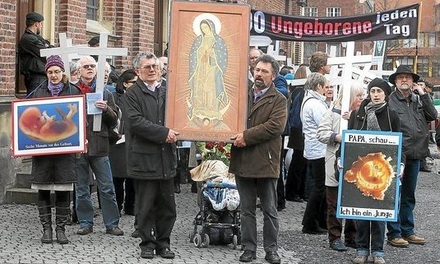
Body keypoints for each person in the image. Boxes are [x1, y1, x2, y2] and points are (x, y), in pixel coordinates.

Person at [229, 54, 287, 264]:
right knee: (246, 210)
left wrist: (246, 136)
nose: (259, 74)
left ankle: (271, 249)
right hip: (243, 160)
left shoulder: (279, 100)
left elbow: (274, 127)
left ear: (273, 76)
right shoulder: (241, 95)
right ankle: (248, 248)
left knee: (270, 210)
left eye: (264, 71)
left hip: (266, 161)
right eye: (257, 70)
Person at [122, 52, 179, 259]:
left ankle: (164, 243)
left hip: (166, 158)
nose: (153, 70)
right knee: (145, 206)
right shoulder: (132, 95)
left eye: (155, 66)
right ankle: (147, 243)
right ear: (138, 71)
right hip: (144, 158)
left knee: (167, 206)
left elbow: (178, 115)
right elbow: (135, 122)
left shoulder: (167, 91)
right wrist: (164, 133)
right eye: (148, 67)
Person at [27, 55, 81, 244]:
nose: (54, 75)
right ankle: (46, 229)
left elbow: (81, 122)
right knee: (42, 189)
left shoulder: (73, 91)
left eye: (57, 71)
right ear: (46, 73)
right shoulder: (38, 92)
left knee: (63, 189)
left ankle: (61, 229)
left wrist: (82, 140)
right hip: (43, 150)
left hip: (65, 151)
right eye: (50, 72)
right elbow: (29, 119)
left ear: (62, 72)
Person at [348, 78, 401, 264]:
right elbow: (350, 140)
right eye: (373, 91)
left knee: (380, 211)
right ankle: (362, 249)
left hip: (383, 170)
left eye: (379, 91)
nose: (376, 95)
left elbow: (399, 143)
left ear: (386, 93)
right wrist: (342, 158)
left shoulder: (392, 115)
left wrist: (400, 164)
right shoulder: (357, 114)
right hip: (362, 168)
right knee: (362, 211)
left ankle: (378, 250)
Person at [386, 65, 437, 247]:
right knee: (394, 195)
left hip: (415, 155)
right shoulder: (390, 101)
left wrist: (423, 94)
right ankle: (394, 232)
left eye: (407, 77)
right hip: (397, 155)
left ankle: (408, 231)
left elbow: (433, 115)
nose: (404, 80)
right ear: (395, 82)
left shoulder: (419, 100)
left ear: (413, 81)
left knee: (409, 195)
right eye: (401, 78)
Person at [75, 55, 124, 236]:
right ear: (79, 70)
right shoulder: (73, 90)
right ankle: (85, 223)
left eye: (92, 66)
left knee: (106, 186)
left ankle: (111, 224)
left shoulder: (105, 92)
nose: (89, 69)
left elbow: (114, 121)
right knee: (81, 188)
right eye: (85, 66)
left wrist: (106, 109)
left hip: (99, 143)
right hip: (79, 145)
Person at [317, 81, 365, 251]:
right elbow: (321, 133)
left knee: (353, 200)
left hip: (356, 164)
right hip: (334, 163)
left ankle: (352, 236)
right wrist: (337, 136)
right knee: (334, 201)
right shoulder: (333, 113)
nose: (362, 98)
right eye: (358, 95)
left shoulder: (363, 114)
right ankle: (335, 237)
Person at [300, 72, 329, 234]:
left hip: (314, 148)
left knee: (320, 187)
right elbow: (325, 124)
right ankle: (310, 222)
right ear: (318, 87)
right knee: (320, 187)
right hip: (319, 150)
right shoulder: (315, 104)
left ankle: (318, 220)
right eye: (325, 86)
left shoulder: (309, 101)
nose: (326, 89)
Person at [188, 19, 229, 129]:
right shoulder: (198, 40)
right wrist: (200, 53)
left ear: (211, 27)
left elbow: (223, 55)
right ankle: (200, 107)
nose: (204, 30)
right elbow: (192, 54)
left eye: (205, 27)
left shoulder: (218, 40)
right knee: (199, 88)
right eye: (202, 28)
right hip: (200, 68)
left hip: (212, 68)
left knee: (210, 88)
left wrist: (212, 53)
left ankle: (212, 109)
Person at [109, 69, 138, 216]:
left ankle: (130, 206)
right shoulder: (115, 97)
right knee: (117, 177)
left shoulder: (138, 97)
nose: (137, 84)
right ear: (125, 84)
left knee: (132, 176)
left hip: (133, 140)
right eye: (134, 82)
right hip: (117, 141)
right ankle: (117, 206)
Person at [285, 64, 309, 203]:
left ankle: (297, 191)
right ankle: (293, 192)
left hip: (297, 131)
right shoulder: (300, 92)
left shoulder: (296, 91)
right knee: (298, 162)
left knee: (299, 161)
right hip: (299, 132)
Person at [18, 12, 53, 95]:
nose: (41, 26)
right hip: (36, 77)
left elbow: (50, 46)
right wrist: (47, 47)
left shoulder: (36, 37)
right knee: (35, 100)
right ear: (36, 24)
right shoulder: (28, 38)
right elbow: (46, 52)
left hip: (41, 76)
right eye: (41, 24)